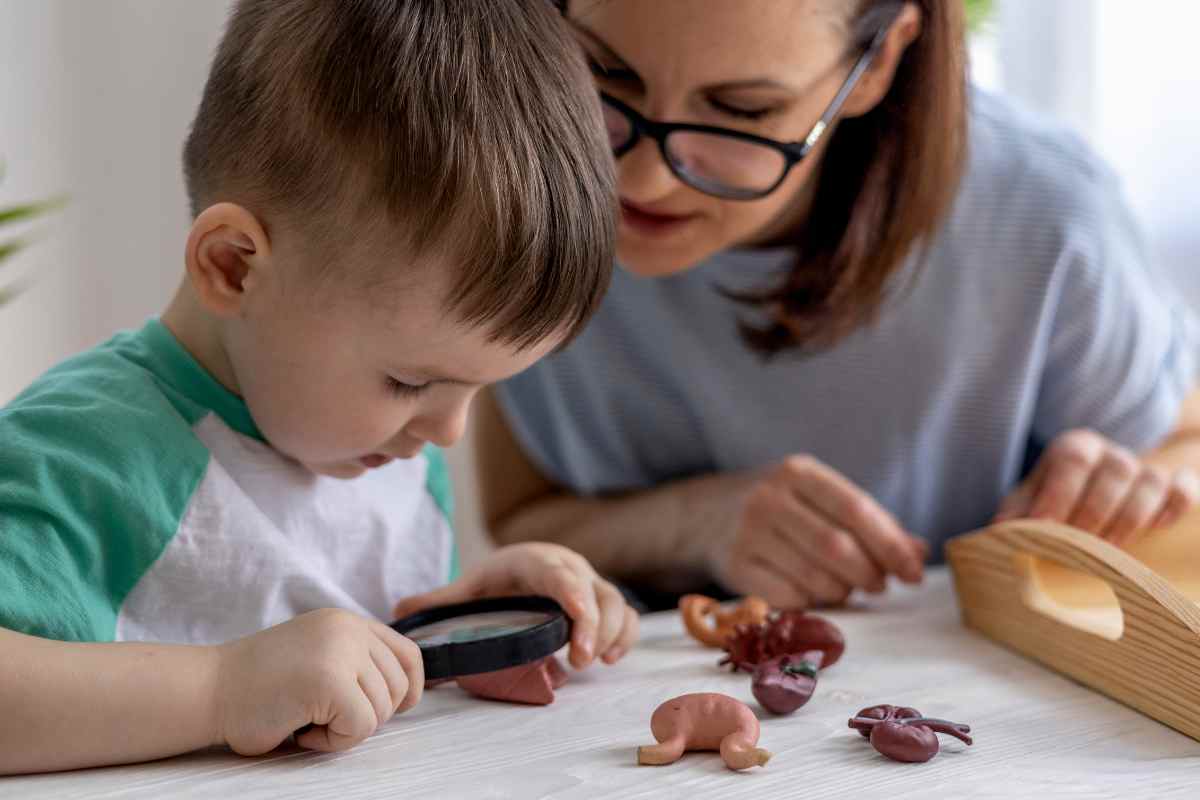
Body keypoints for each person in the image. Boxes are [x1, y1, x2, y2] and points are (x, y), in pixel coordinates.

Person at [0, 0, 637, 775]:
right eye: (411, 380)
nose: (447, 434)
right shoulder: (82, 458)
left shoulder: (380, 450)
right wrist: (220, 689)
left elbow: (329, 674)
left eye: (479, 390)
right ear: (234, 265)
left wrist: (461, 627)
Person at [479, 0, 1200, 611]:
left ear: (880, 60)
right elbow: (518, 519)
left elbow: (1178, 455)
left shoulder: (1045, 218)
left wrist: (1127, 485)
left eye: (741, 108)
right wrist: (695, 522)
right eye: (605, 71)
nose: (645, 180)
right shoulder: (497, 193)